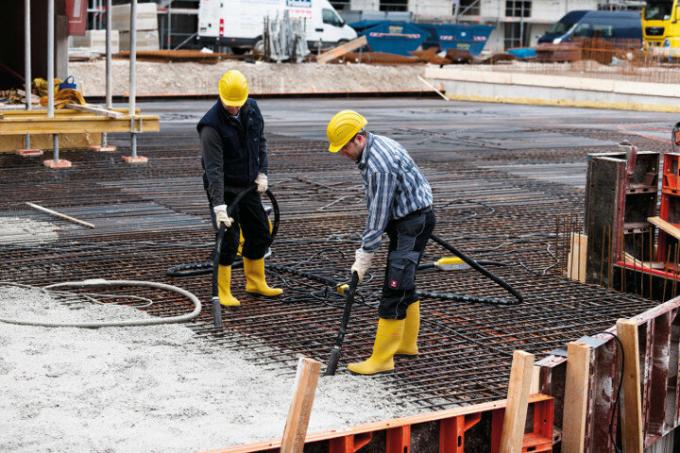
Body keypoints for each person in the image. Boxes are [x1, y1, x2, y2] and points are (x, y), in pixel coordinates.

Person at [326, 110, 435, 375]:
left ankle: (382, 359)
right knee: (404, 281)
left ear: (359, 139)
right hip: (410, 219)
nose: (342, 153)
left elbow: (378, 213)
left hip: (412, 223)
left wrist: (364, 255)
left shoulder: (378, 166)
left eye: (344, 147)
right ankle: (407, 345)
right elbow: (380, 206)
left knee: (394, 288)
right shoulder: (377, 146)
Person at [197, 69, 282, 307]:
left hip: (249, 184)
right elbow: (214, 169)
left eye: (238, 104)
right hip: (224, 188)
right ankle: (223, 290)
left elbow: (260, 142)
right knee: (230, 238)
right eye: (230, 105)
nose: (234, 108)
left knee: (260, 231)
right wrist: (219, 206)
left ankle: (255, 282)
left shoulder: (252, 108)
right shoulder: (210, 126)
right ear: (221, 97)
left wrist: (263, 171)